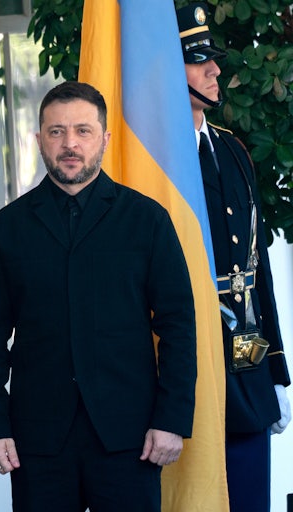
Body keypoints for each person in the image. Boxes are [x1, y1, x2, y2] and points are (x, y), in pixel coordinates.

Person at [0, 81, 197, 511]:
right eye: (56, 132)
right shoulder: (5, 229)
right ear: (38, 140)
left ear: (105, 139)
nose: (69, 144)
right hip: (37, 442)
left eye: (83, 131)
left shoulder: (147, 220)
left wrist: (171, 420)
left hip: (131, 438)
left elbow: (179, 326)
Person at [176, 4, 291, 510]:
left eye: (213, 60)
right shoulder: (155, 160)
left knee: (249, 494)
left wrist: (275, 369)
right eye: (198, 60)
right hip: (184, 356)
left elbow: (256, 271)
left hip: (245, 352)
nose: (215, 70)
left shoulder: (234, 151)